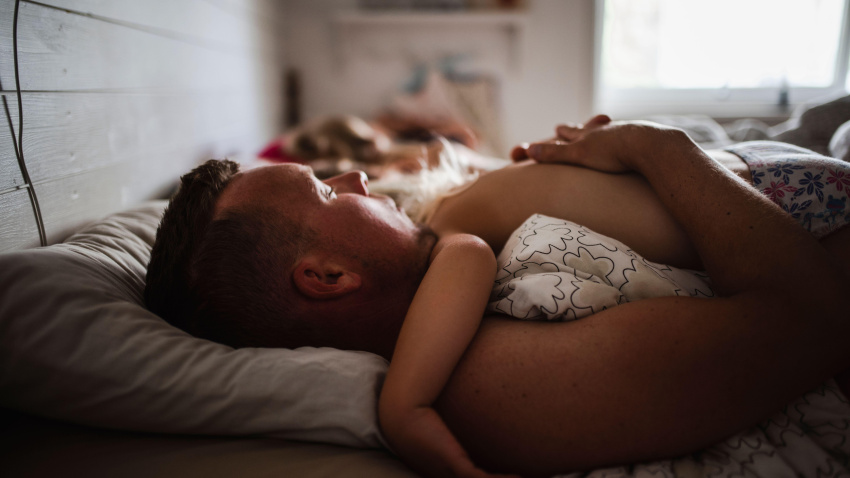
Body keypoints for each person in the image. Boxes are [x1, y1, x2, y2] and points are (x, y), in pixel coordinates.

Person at [145, 117, 850, 477]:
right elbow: (814, 322)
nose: (358, 178)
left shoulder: (449, 260)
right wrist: (658, 149)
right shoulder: (490, 384)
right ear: (327, 277)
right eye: (327, 192)